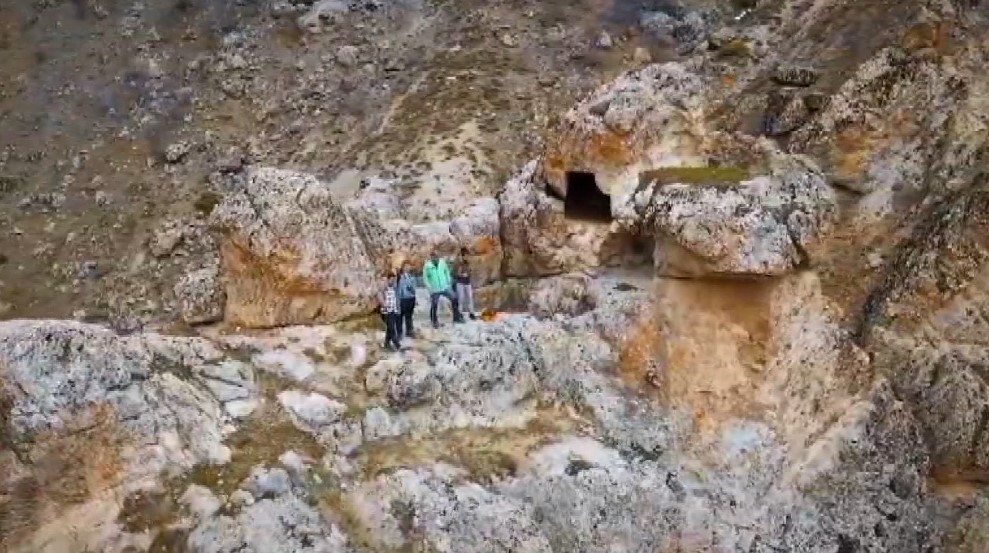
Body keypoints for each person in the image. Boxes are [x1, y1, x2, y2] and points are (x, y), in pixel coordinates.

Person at [423, 251, 462, 328]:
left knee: (454, 298)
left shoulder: (442, 262)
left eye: (436, 256)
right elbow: (425, 278)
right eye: (433, 257)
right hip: (435, 288)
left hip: (445, 287)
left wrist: (448, 281)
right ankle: (434, 321)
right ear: (431, 257)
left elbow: (446, 271)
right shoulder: (427, 266)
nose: (435, 258)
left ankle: (456, 317)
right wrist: (429, 287)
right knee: (434, 304)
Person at [378, 272, 402, 351]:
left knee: (389, 329)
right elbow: (379, 296)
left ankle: (386, 343)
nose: (393, 281)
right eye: (391, 280)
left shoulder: (394, 289)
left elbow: (396, 300)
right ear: (388, 280)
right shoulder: (383, 288)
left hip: (393, 311)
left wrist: (398, 309)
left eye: (394, 280)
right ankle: (397, 344)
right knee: (392, 328)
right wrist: (384, 304)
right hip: (386, 312)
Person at [453, 247, 476, 320]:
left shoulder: (469, 262)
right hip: (460, 283)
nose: (467, 257)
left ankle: (471, 313)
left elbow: (471, 271)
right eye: (465, 255)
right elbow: (455, 273)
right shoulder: (458, 262)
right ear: (462, 255)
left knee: (470, 297)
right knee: (461, 298)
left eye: (467, 255)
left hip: (467, 282)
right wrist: (461, 274)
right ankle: (460, 313)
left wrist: (469, 273)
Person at [396, 262, 417, 339]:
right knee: (400, 316)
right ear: (403, 267)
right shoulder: (399, 277)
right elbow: (397, 288)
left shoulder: (412, 276)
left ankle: (409, 330)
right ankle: (399, 332)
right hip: (402, 298)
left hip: (410, 298)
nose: (408, 268)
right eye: (406, 266)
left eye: (409, 266)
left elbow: (414, 287)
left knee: (409, 316)